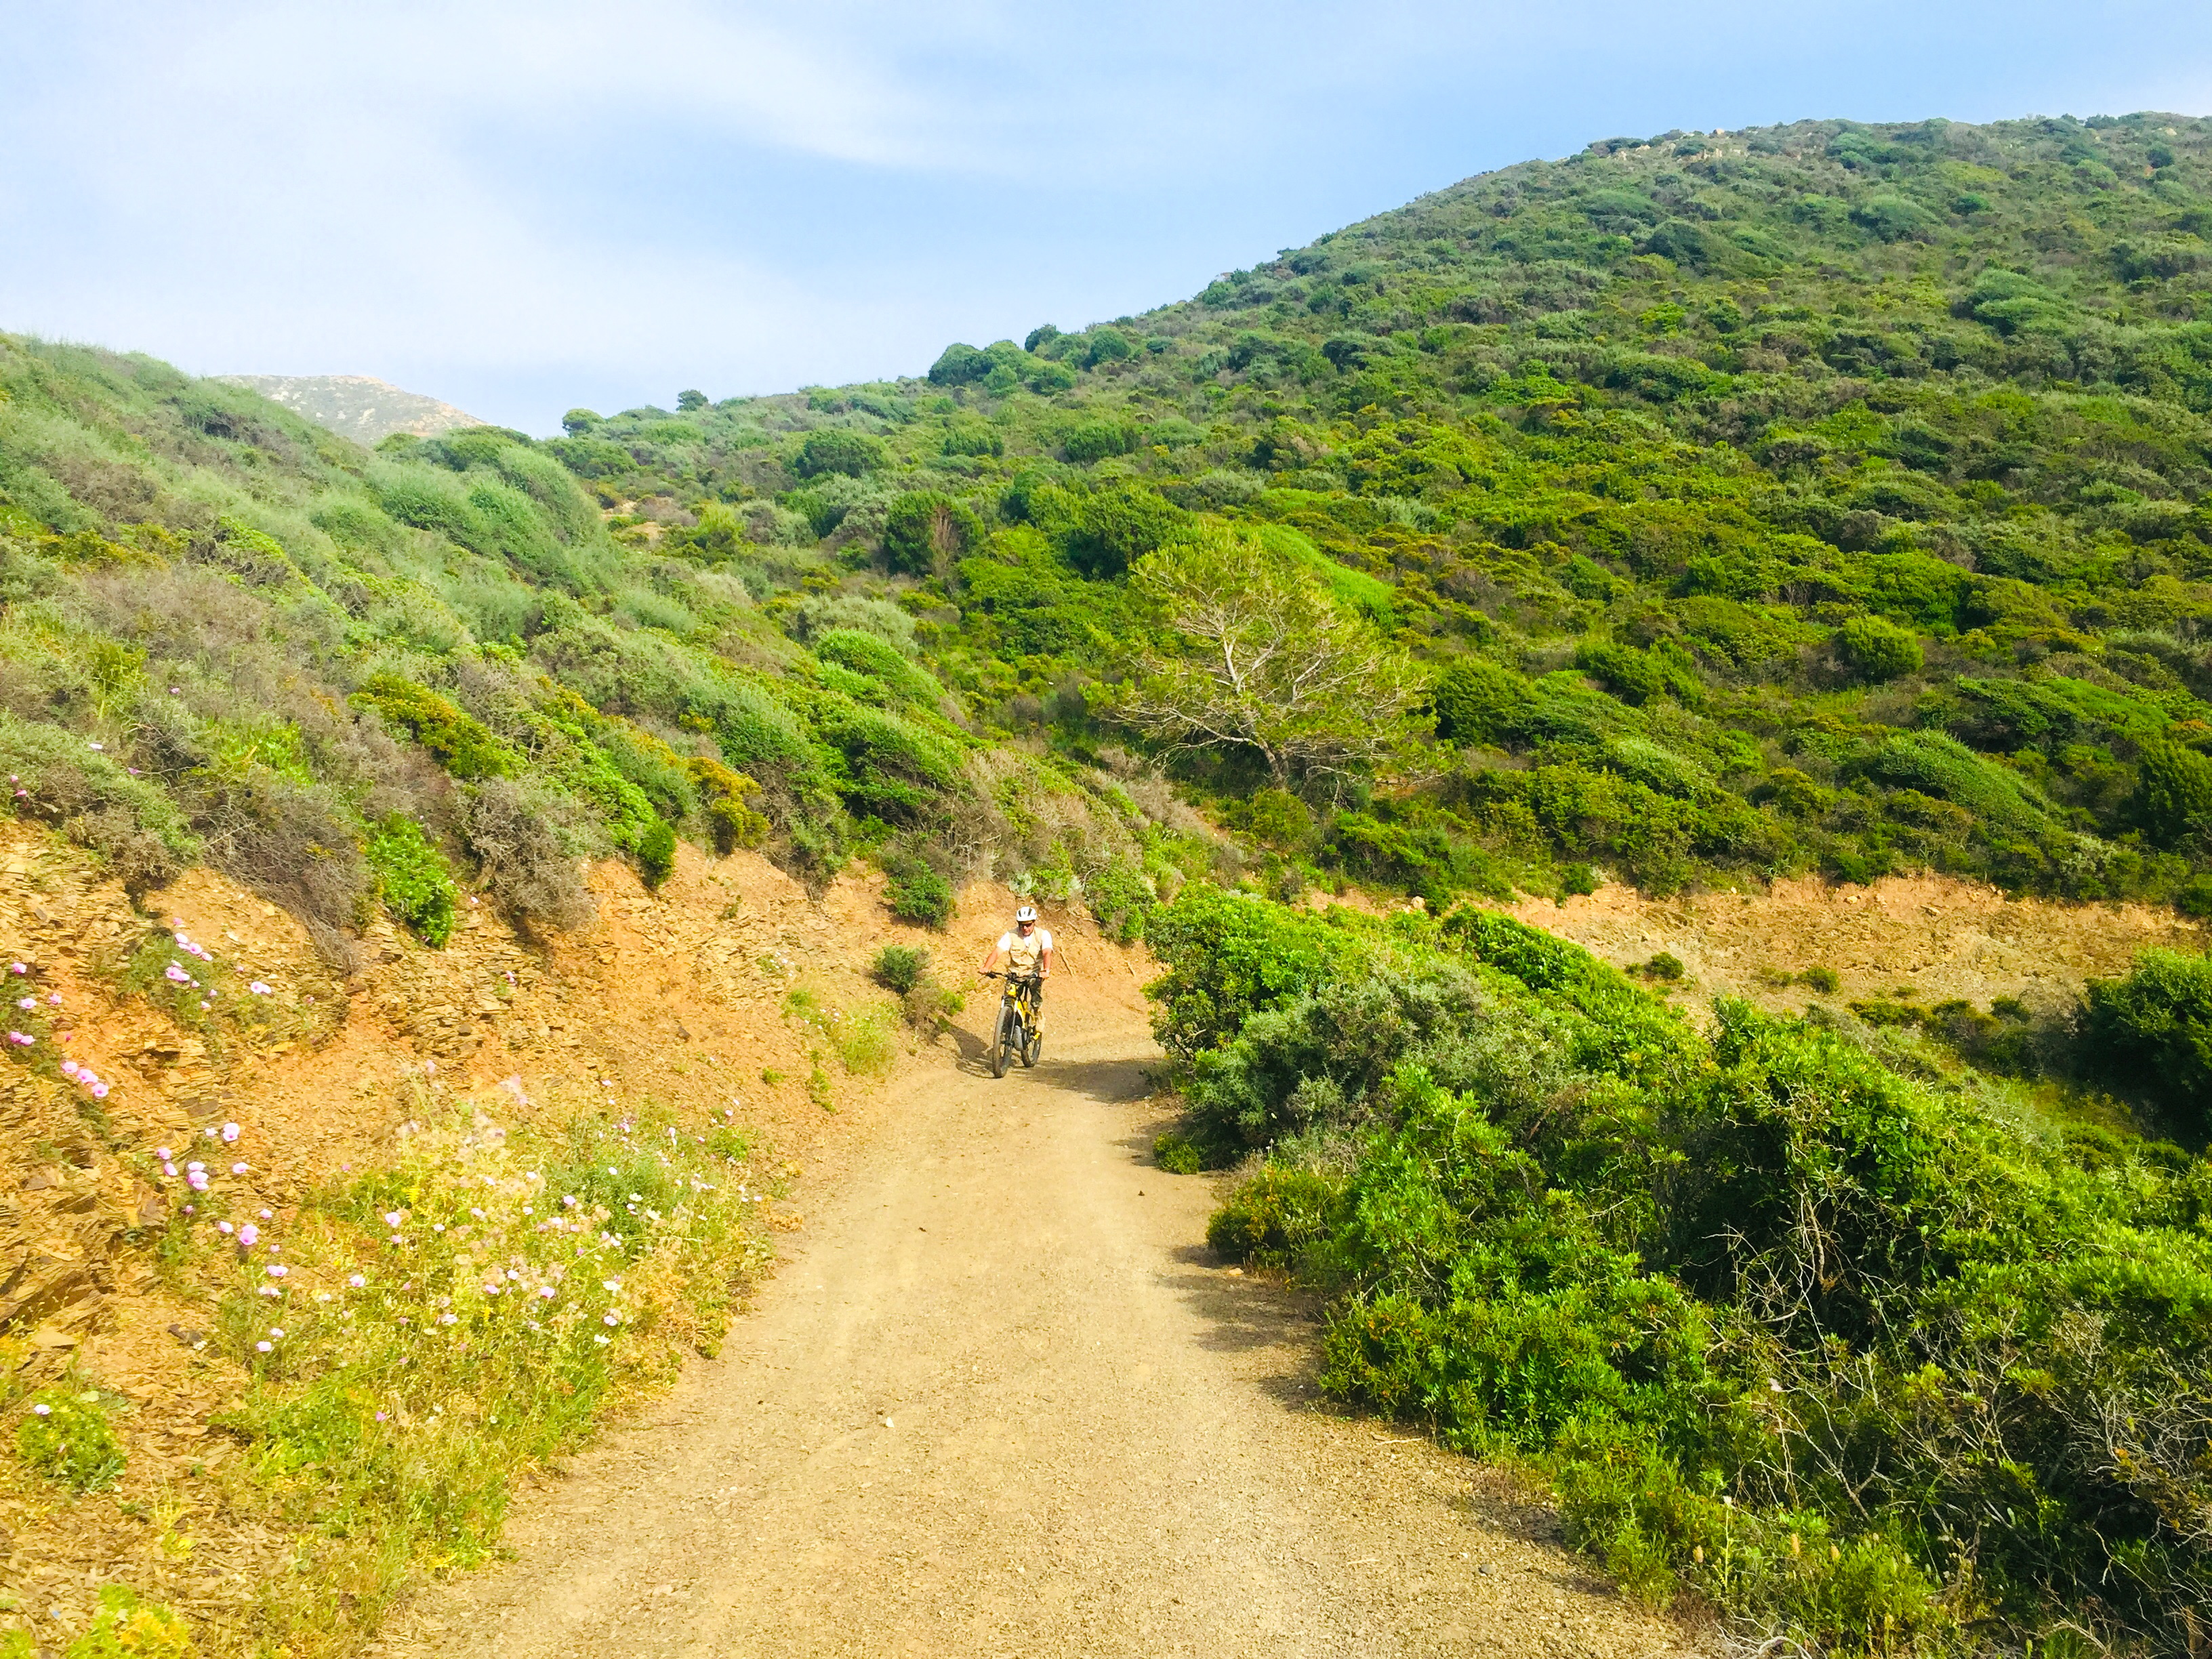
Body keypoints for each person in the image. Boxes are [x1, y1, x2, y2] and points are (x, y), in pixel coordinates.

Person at [977, 905, 1052, 1029]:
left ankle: (1038, 1020)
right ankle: (1005, 1028)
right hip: (1015, 974)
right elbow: (997, 952)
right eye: (1022, 925)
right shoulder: (1010, 935)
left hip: (1033, 974)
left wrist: (1046, 970)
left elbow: (1047, 953)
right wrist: (986, 967)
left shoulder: (1043, 935)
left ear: (1034, 922)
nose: (1025, 928)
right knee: (1008, 1000)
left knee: (1035, 1000)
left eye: (1028, 925)